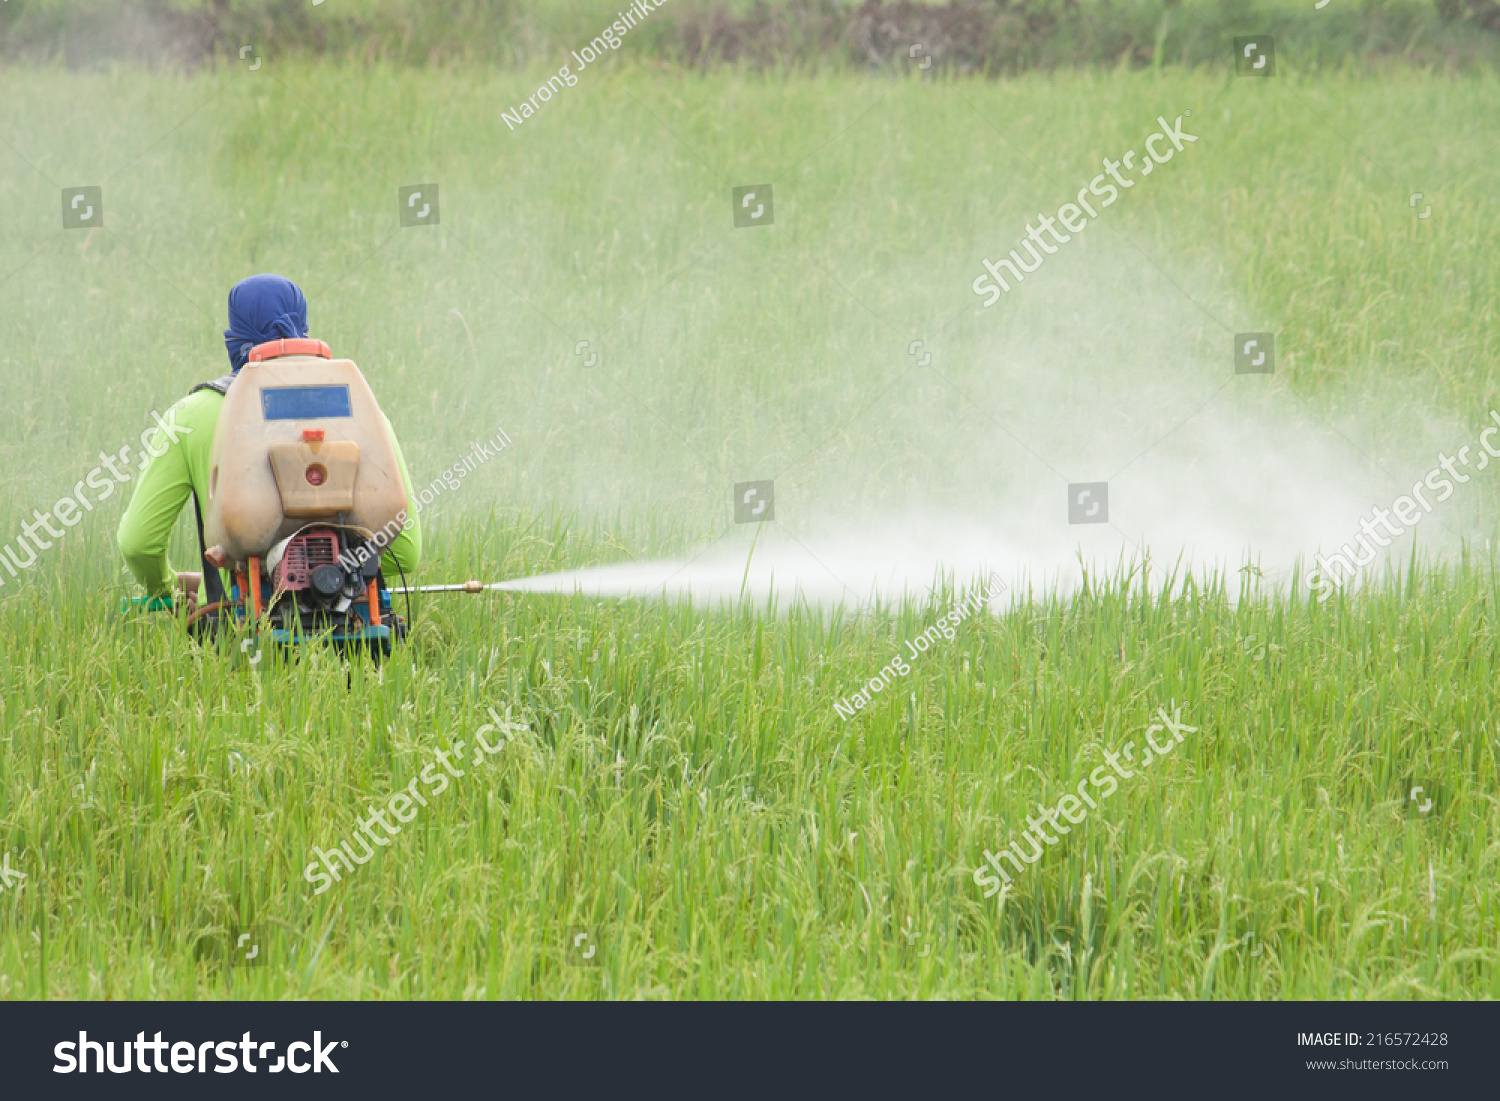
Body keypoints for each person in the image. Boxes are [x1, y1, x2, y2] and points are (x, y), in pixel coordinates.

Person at [117, 273, 421, 609]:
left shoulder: (189, 416)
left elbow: (139, 544)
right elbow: (405, 553)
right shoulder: (361, 411)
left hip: (230, 626)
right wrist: (336, 569)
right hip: (352, 627)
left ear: (236, 338)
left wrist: (168, 593)